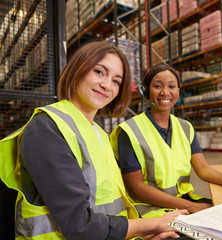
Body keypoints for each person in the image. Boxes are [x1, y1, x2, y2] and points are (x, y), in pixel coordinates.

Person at [0, 41, 188, 240]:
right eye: (99, 72)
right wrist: (152, 224)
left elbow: (107, 209)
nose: (107, 85)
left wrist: (144, 235)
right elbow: (79, 226)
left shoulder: (97, 132)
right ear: (77, 69)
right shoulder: (47, 129)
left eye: (116, 81)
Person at [110, 64, 222, 218]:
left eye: (172, 86)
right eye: (157, 86)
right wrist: (192, 207)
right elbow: (136, 189)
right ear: (147, 92)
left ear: (178, 91)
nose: (165, 92)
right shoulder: (129, 131)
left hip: (180, 202)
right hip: (149, 210)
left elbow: (203, 168)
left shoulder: (185, 127)